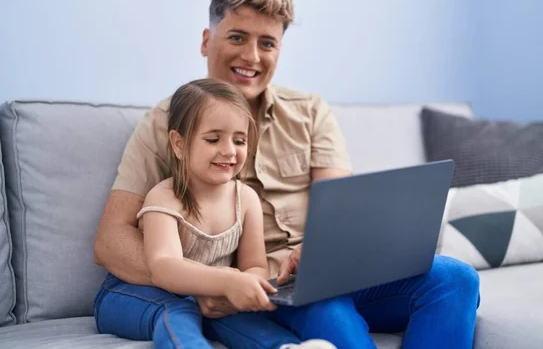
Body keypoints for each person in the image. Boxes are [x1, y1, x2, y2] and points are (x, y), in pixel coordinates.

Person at [94, 0, 481, 349]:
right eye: (237, 37)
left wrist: (323, 247)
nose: (251, 56)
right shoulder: (166, 123)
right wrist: (205, 284)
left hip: (324, 274)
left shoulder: (311, 112)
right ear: (206, 40)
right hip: (267, 291)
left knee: (457, 279)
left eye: (267, 43)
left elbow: (342, 212)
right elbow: (111, 240)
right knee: (330, 312)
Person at [93, 78, 357, 348]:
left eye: (240, 140)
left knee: (237, 316)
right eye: (213, 139)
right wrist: (226, 281)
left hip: (200, 292)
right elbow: (163, 268)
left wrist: (245, 289)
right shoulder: (164, 197)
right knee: (181, 312)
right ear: (179, 144)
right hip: (130, 293)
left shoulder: (246, 199)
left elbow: (254, 266)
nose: (229, 151)